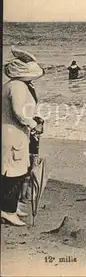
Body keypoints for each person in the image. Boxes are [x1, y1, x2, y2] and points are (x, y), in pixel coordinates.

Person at [2, 47, 45, 226]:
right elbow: (19, 112)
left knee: (12, 171)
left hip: (11, 133)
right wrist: (33, 124)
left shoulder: (11, 85)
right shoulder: (18, 86)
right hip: (14, 134)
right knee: (13, 173)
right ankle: (8, 210)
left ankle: (10, 207)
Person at [20, 116, 44, 204]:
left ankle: (28, 195)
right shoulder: (30, 135)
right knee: (27, 177)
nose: (41, 127)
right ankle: (23, 196)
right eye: (39, 125)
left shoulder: (36, 135)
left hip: (34, 156)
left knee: (31, 177)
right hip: (30, 156)